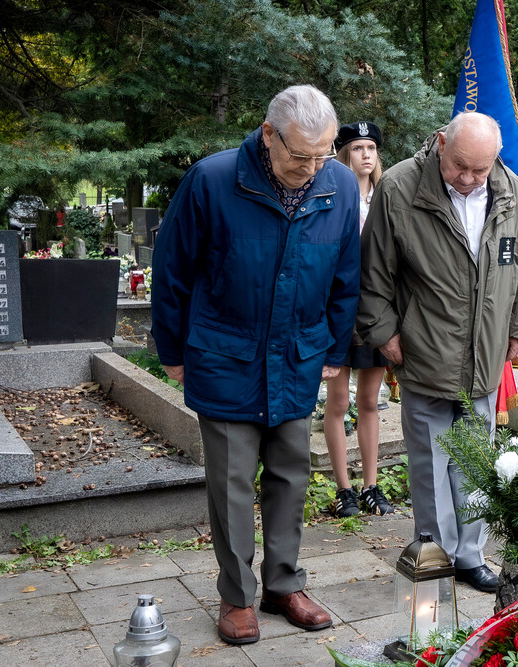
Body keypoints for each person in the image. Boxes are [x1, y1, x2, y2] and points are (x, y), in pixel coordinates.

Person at [151, 85, 358, 644]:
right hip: (226, 357)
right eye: (301, 156)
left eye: (323, 155)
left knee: (292, 475)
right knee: (233, 483)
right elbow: (172, 272)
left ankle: (283, 584)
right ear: (269, 135)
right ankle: (238, 596)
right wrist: (172, 352)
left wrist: (334, 348)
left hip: (297, 357)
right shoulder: (212, 180)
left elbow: (346, 274)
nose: (312, 169)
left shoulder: (338, 184)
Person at [357, 112, 518, 593]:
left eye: (481, 169)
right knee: (430, 466)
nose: (469, 178)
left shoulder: (512, 192)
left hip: (485, 356)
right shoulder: (399, 188)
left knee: (475, 463)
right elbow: (372, 272)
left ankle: (469, 557)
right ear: (441, 143)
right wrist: (385, 334)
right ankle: (433, 554)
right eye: (460, 165)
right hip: (424, 352)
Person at [321, 121, 394, 519]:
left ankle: (370, 486)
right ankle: (343, 489)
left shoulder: (386, 196)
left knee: (369, 401)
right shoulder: (332, 195)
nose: (366, 155)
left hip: (375, 310)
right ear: (344, 154)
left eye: (371, 148)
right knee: (338, 401)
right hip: (339, 310)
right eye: (357, 148)